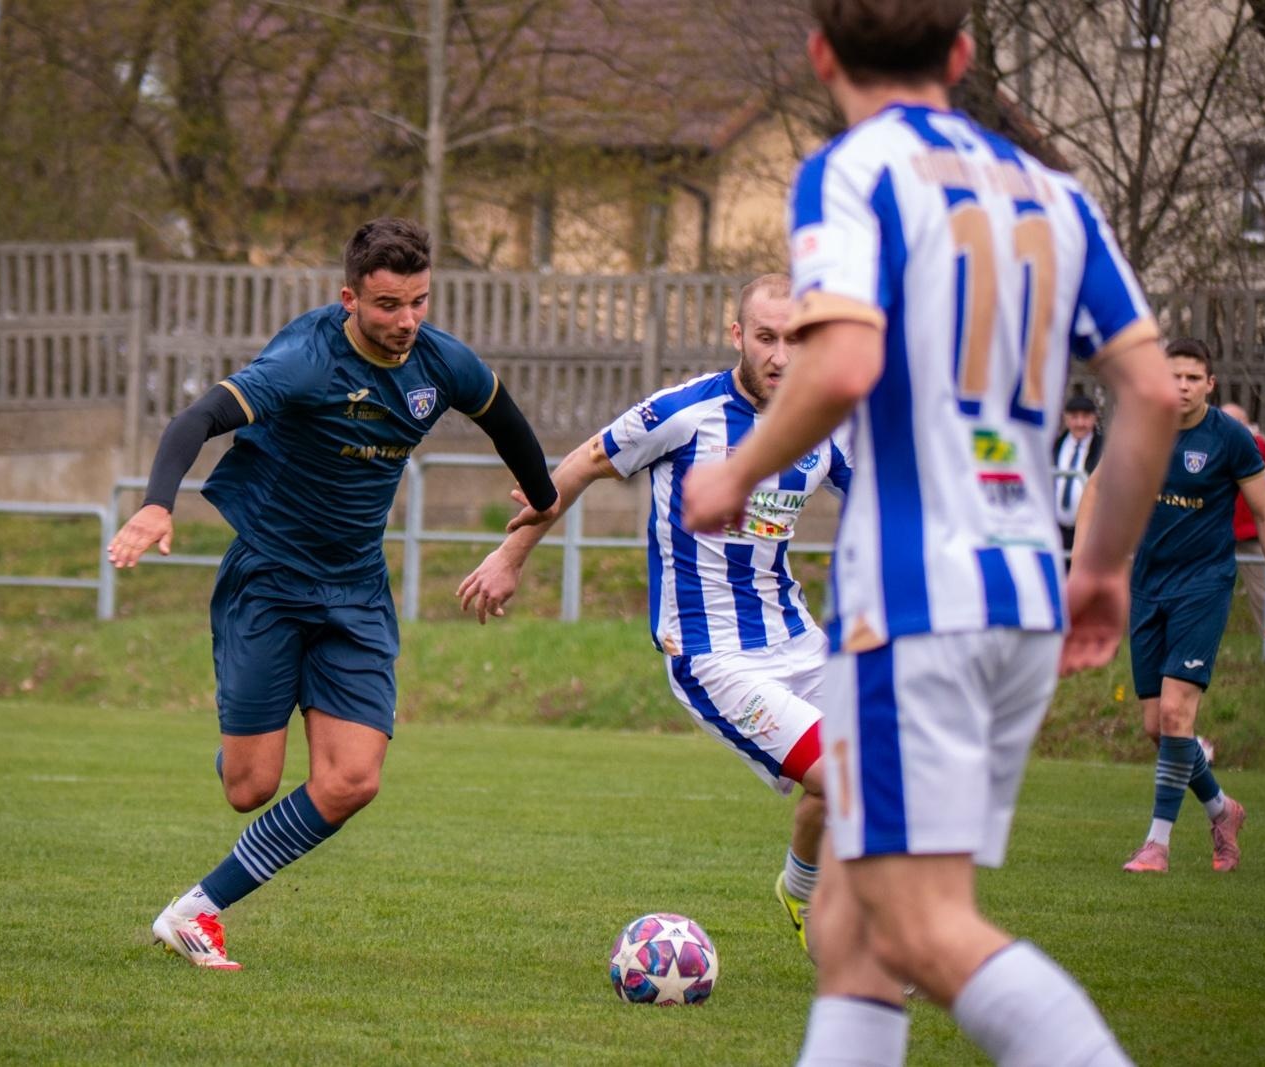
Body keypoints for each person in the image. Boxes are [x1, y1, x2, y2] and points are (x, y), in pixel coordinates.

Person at [677, 2, 1178, 1064]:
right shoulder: (1053, 192)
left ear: (820, 58)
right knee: (854, 933)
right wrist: (1101, 563)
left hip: (915, 602)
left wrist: (738, 467)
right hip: (1021, 589)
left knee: (919, 924)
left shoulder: (850, 172)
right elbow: (1147, 389)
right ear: (958, 56)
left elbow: (845, 361)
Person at [108, 217, 559, 969]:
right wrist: (160, 501)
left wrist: (541, 495)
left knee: (352, 779)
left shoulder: (442, 363)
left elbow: (506, 421)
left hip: (355, 589)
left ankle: (196, 909)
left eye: (418, 301)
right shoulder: (302, 363)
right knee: (250, 787)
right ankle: (241, 741)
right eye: (387, 305)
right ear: (349, 297)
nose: (406, 321)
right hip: (270, 581)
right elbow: (199, 417)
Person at [457, 273, 850, 957]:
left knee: (873, 775)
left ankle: (801, 888)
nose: (780, 356)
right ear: (737, 335)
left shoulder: (823, 425)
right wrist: (510, 556)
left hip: (799, 640)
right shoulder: (685, 412)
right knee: (848, 776)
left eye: (794, 339)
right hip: (712, 654)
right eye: (765, 337)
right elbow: (580, 464)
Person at [1080, 339, 1265, 875]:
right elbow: (1095, 489)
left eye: (1193, 377)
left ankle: (1156, 846)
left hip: (1204, 585)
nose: (1182, 386)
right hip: (1148, 586)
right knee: (1157, 727)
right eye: (1174, 377)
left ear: (1210, 383)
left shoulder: (1232, 439)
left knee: (1174, 714)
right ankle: (1222, 809)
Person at [1219, 401, 1265, 628]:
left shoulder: (1255, 445)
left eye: (1233, 421)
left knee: (1262, 593)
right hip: (1221, 532)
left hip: (1249, 533)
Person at [1052, 394, 1103, 558]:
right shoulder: (1055, 446)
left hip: (1089, 533)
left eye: (1086, 417)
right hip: (1057, 530)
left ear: (1094, 418)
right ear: (1066, 418)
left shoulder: (1104, 449)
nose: (1080, 423)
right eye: (1074, 417)